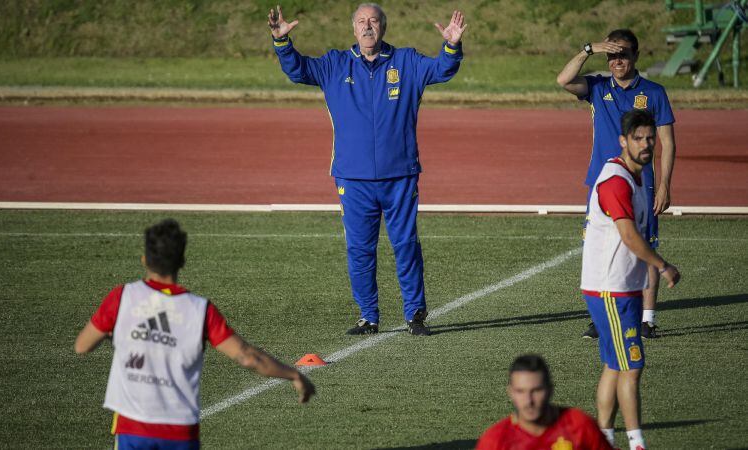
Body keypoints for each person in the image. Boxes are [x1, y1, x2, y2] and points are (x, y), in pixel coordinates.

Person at [268, 3, 467, 336]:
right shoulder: (334, 64)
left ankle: (415, 314)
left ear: (383, 27)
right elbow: (298, 70)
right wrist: (282, 42)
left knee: (405, 244)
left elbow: (443, 70)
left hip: (400, 175)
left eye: (374, 20)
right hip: (353, 177)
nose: (367, 26)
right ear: (353, 29)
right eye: (361, 21)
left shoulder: (407, 61)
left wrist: (452, 45)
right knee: (360, 249)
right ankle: (368, 316)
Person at [75, 219, 315, 449]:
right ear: (182, 261)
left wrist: (119, 334)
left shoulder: (122, 297)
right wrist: (293, 375)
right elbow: (248, 358)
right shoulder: (200, 310)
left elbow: (82, 346)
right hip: (180, 433)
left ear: (144, 260)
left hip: (132, 429)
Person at [557, 29, 677, 339]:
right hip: (601, 183)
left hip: (641, 183)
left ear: (636, 56)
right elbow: (563, 79)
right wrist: (589, 49)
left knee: (645, 247)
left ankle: (647, 320)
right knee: (597, 247)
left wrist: (664, 184)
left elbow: (667, 141)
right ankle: (599, 319)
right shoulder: (597, 87)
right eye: (611, 55)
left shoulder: (653, 92)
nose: (616, 60)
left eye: (622, 54)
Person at [581, 110, 681, 450]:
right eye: (638, 138)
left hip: (623, 286)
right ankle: (637, 443)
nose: (646, 144)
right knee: (632, 365)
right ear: (624, 141)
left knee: (615, 365)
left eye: (650, 138)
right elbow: (628, 234)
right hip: (609, 288)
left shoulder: (637, 176)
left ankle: (604, 438)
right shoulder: (615, 181)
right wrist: (662, 265)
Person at [476, 354, 613, 450]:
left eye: (536, 391)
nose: (529, 401)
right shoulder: (495, 440)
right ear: (510, 392)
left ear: (550, 389)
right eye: (520, 391)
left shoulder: (579, 426)